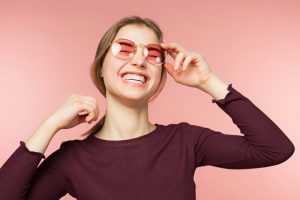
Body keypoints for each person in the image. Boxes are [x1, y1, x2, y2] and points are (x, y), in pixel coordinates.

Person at [0, 15, 295, 200]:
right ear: (101, 67)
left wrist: (208, 81)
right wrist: (49, 125)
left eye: (152, 53)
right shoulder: (73, 160)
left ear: (160, 74)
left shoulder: (185, 141)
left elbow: (275, 149)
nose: (139, 60)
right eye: (124, 49)